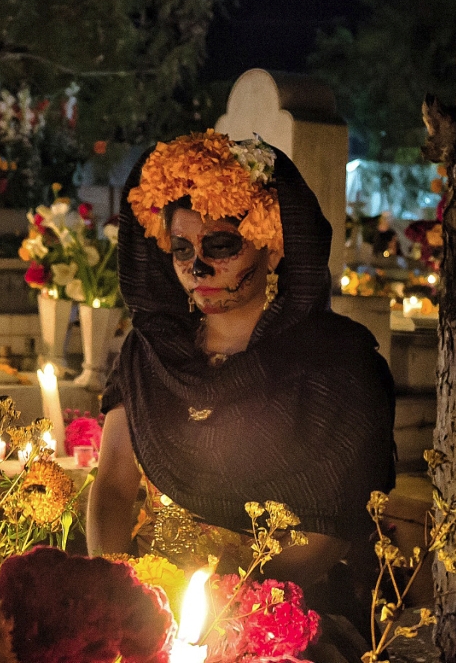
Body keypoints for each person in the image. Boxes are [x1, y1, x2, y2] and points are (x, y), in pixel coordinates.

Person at [87, 130, 395, 596]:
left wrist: (229, 612)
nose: (197, 268)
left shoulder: (340, 366)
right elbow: (112, 483)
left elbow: (326, 535)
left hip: (279, 611)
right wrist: (115, 591)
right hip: (146, 602)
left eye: (221, 246)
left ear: (271, 246)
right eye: (182, 249)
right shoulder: (150, 352)